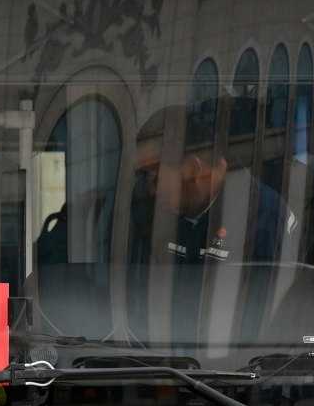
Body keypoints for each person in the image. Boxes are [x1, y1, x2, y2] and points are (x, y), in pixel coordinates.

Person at [127, 98, 299, 346]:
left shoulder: (264, 221)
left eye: (156, 177)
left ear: (193, 169)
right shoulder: (148, 210)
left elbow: (270, 331)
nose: (151, 190)